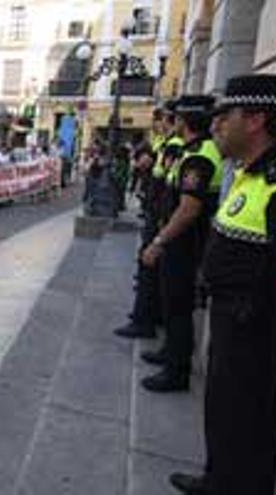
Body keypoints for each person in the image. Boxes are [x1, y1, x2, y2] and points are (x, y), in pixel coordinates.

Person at [168, 75, 276, 495]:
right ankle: (218, 480)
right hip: (235, 321)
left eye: (224, 116)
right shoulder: (251, 172)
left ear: (255, 120)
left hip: (260, 333)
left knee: (249, 424)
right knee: (225, 414)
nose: (216, 127)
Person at [140, 95, 223, 393]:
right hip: (180, 240)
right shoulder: (193, 151)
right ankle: (169, 354)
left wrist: (159, 241)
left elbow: (188, 208)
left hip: (186, 243)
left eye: (174, 119)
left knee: (178, 305)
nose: (169, 123)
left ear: (184, 122)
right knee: (172, 301)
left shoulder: (200, 156)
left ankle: (176, 371)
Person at [114, 109, 171, 340]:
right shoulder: (166, 144)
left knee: (151, 268)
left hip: (164, 222)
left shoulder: (177, 147)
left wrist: (159, 237)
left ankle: (145, 321)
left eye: (161, 121)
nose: (158, 125)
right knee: (150, 270)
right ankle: (146, 315)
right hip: (158, 214)